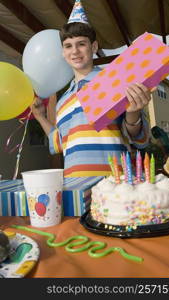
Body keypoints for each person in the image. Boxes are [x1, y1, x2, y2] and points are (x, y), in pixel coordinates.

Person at [32, 1, 153, 178]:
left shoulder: (114, 79)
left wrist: (133, 113)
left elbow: (138, 138)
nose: (75, 51)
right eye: (68, 46)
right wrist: (40, 117)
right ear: (63, 53)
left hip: (113, 185)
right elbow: (59, 142)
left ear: (93, 47)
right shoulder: (63, 101)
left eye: (81, 44)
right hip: (74, 187)